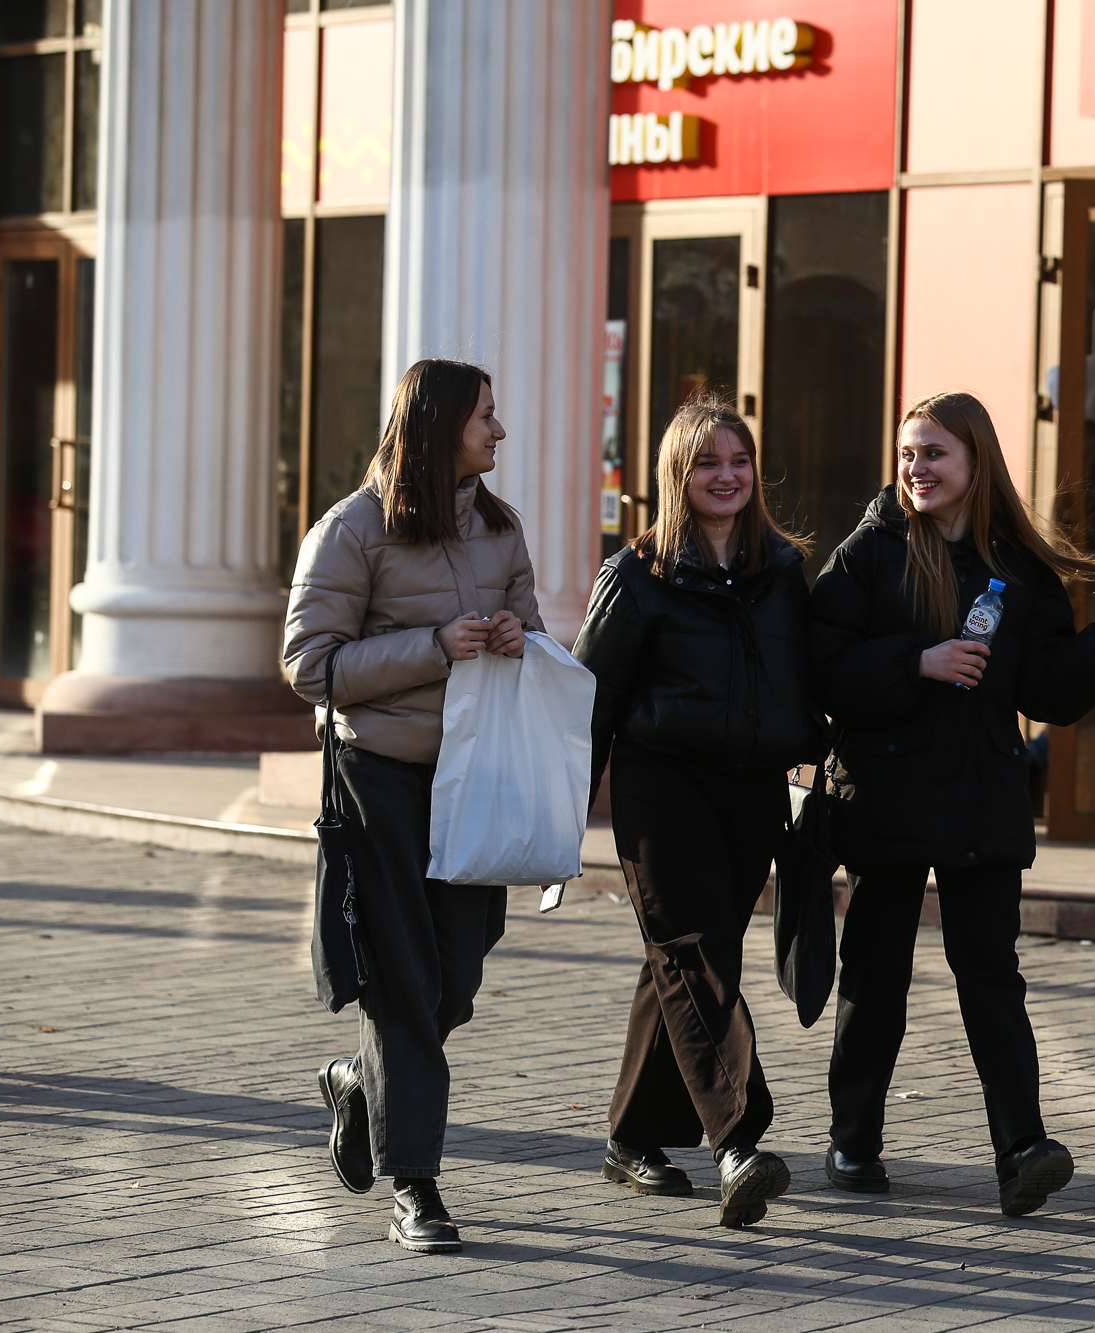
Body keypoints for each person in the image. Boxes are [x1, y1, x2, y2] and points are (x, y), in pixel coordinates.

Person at [808, 390, 1095, 1216]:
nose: (916, 469)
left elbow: (1043, 689)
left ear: (976, 462)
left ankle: (1022, 1150)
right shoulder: (869, 553)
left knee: (990, 977)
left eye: (934, 454)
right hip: (885, 795)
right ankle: (854, 1141)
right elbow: (819, 670)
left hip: (980, 798)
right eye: (908, 454)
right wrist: (914, 662)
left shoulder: (1019, 568)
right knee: (876, 979)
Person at [284, 359, 541, 1254]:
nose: (499, 431)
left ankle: (363, 1077)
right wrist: (431, 646)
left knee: (455, 978)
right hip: (382, 783)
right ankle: (417, 1188)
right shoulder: (351, 530)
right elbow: (310, 665)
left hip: (477, 784)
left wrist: (517, 638)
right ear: (439, 428)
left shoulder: (500, 528)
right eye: (485, 417)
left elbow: (532, 634)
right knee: (403, 985)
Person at [572, 398, 824, 1228]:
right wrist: (562, 816)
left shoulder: (784, 571)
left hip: (751, 790)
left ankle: (632, 1134)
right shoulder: (637, 576)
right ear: (676, 477)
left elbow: (810, 679)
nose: (726, 475)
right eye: (707, 462)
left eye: (739, 460)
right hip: (660, 788)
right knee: (695, 951)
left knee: (683, 958)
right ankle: (736, 1142)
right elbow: (587, 704)